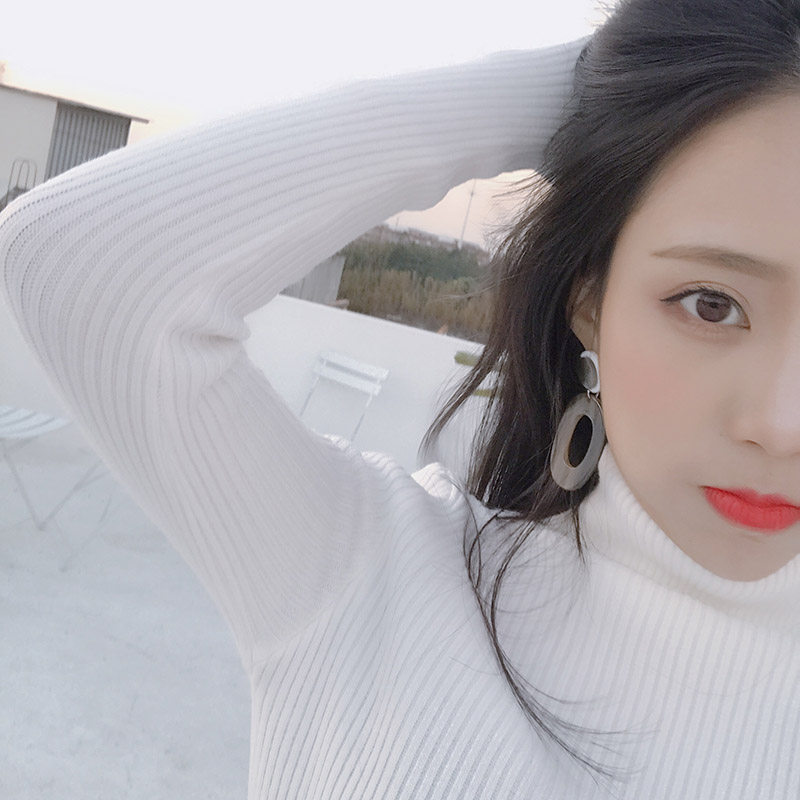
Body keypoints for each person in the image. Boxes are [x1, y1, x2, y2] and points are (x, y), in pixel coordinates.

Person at [2, 0, 800, 796]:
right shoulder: (372, 577)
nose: (780, 426)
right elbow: (74, 260)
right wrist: (618, 85)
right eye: (710, 304)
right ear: (589, 302)